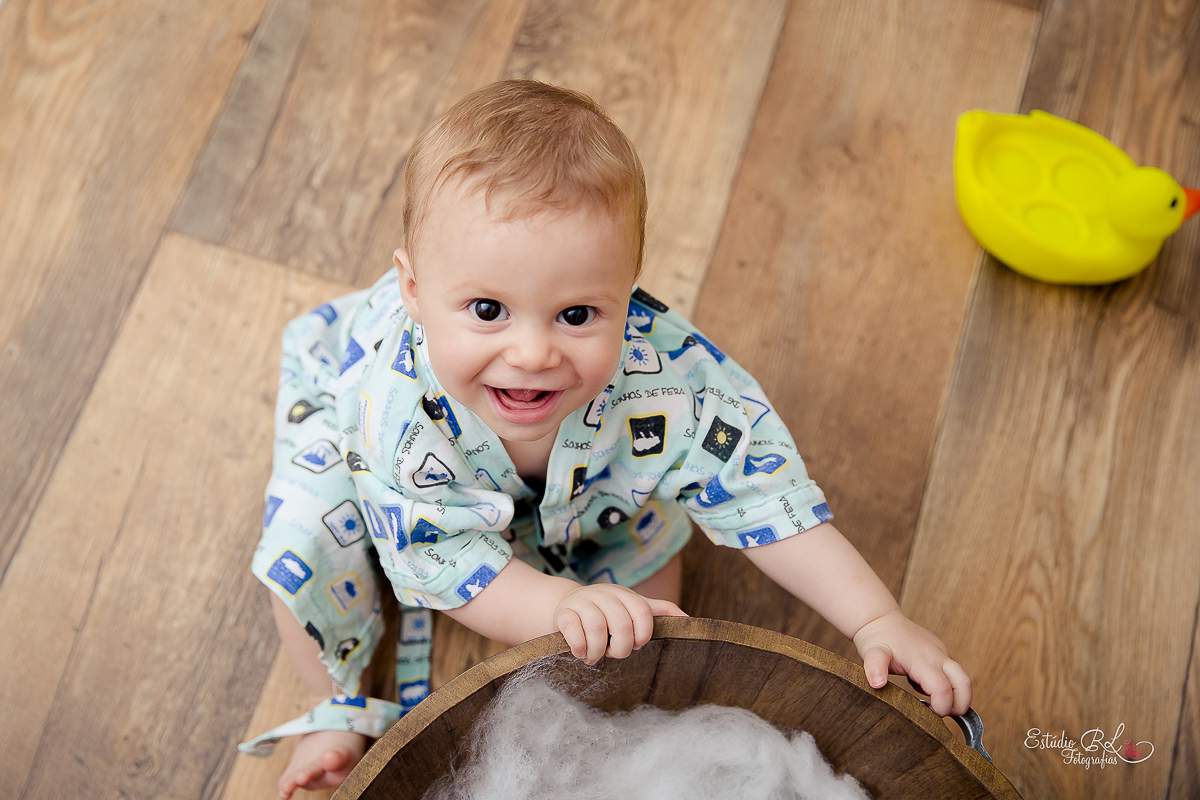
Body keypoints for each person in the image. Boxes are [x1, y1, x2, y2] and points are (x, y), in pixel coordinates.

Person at [241, 79, 972, 798]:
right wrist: (555, 607)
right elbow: (441, 555)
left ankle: (597, 628)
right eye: (488, 309)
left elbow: (762, 489)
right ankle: (333, 707)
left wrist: (875, 618)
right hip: (394, 487)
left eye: (577, 314)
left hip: (592, 492)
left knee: (645, 631)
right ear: (412, 291)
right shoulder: (391, 410)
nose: (532, 353)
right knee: (303, 544)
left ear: (630, 292)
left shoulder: (663, 375)